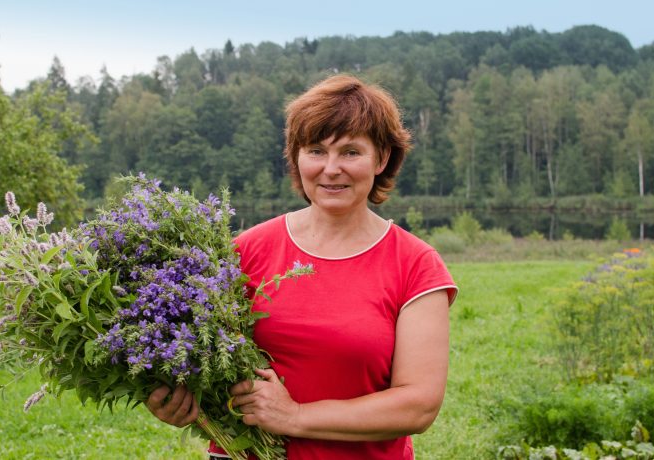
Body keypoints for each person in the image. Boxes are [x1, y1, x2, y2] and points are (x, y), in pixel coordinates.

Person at [145, 74, 458, 460]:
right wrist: (176, 399)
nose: (331, 168)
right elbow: (199, 358)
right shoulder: (245, 250)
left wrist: (294, 416)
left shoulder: (415, 265)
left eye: (350, 152)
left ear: (382, 158)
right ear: (296, 157)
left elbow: (418, 404)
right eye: (315, 150)